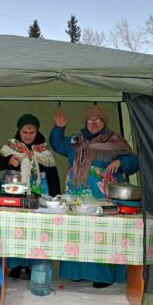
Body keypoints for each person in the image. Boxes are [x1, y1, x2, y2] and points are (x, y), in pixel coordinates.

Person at [49, 106, 139, 288]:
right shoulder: (77, 139)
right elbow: (58, 145)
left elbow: (134, 162)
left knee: (100, 233)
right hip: (74, 195)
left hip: (101, 196)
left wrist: (120, 161)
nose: (94, 123)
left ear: (105, 122)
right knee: (76, 232)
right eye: (90, 119)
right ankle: (77, 272)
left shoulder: (115, 141)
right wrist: (58, 129)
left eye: (98, 120)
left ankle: (102, 275)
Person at [0, 113, 60, 278]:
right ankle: (15, 265)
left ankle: (33, 265)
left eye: (32, 132)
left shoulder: (43, 149)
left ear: (37, 132)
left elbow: (53, 174)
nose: (28, 136)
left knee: (37, 229)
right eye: (25, 132)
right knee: (16, 227)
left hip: (39, 192)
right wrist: (8, 160)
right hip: (16, 190)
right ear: (19, 131)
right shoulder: (12, 145)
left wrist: (55, 196)